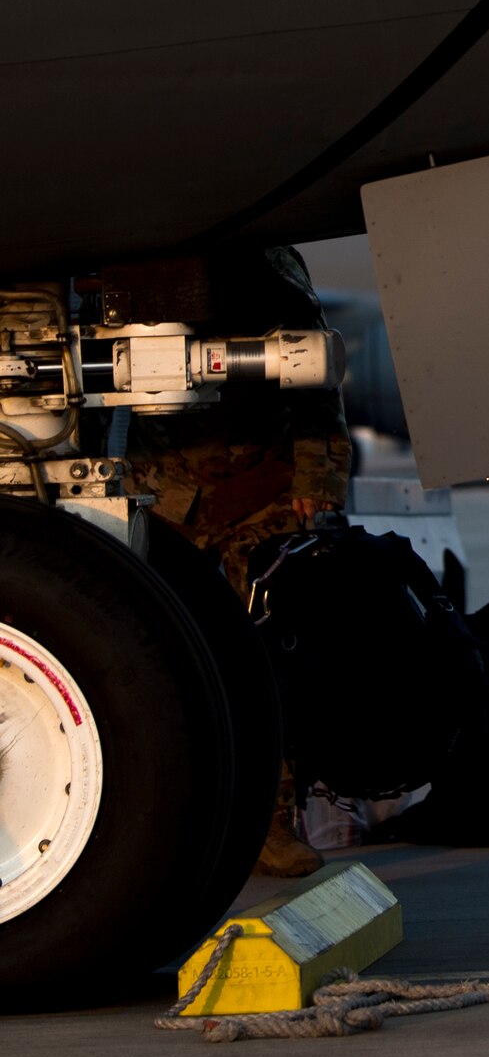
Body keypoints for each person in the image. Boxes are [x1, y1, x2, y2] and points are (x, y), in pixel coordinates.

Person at [127, 245, 352, 878]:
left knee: (266, 664)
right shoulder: (126, 239)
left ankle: (270, 822)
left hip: (259, 493)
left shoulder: (261, 257)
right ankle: (177, 827)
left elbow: (313, 365)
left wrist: (318, 475)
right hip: (162, 497)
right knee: (158, 667)